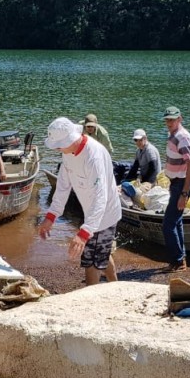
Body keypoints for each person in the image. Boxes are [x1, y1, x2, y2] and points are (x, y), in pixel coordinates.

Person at [38, 117, 121, 286]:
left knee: (91, 261)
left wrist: (84, 234)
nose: (57, 149)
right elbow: (62, 186)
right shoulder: (67, 153)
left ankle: (89, 297)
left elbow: (101, 197)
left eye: (58, 145)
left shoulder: (93, 156)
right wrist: (51, 216)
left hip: (105, 213)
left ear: (71, 139)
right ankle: (116, 286)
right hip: (90, 211)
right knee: (102, 254)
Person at [162, 106, 190, 272]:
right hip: (175, 183)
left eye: (172, 119)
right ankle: (181, 261)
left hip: (181, 184)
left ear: (179, 119)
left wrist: (184, 193)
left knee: (168, 225)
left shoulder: (182, 137)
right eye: (167, 119)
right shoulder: (173, 134)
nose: (169, 122)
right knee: (177, 223)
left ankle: (176, 262)